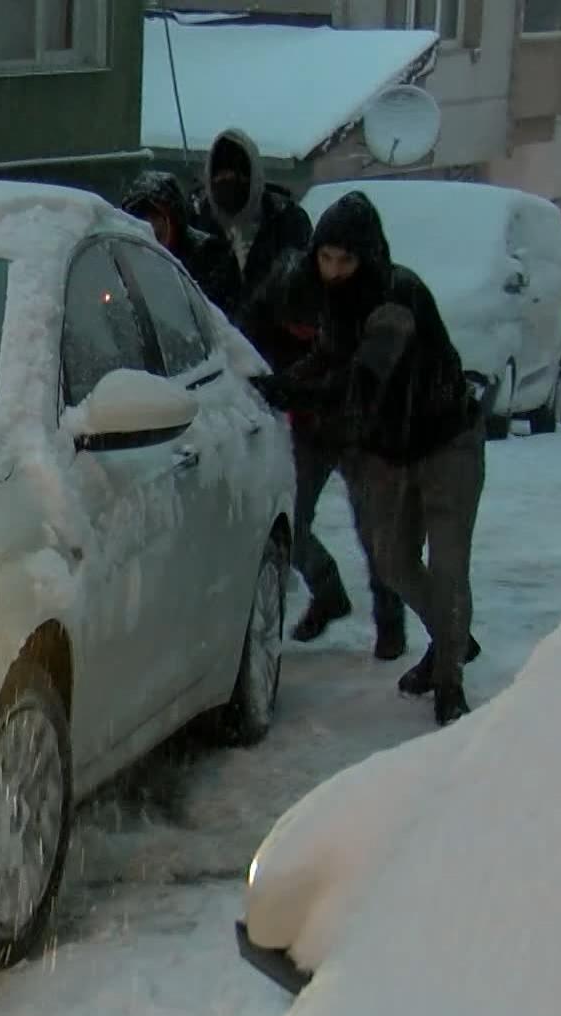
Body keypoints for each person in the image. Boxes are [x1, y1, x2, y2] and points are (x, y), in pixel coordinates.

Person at [249, 192, 486, 725]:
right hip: (393, 450)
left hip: (448, 442)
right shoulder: (340, 301)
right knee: (393, 561)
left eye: (345, 261)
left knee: (448, 567)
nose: (333, 272)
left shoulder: (396, 302)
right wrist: (281, 382)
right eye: (326, 259)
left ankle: (450, 683)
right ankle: (452, 641)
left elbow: (362, 380)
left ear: (368, 257)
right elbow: (330, 356)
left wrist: (300, 394)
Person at [239, 244, 409, 659]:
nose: (304, 336)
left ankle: (390, 622)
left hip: (360, 430)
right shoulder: (263, 314)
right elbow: (247, 360)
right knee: (291, 522)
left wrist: (303, 389)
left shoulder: (353, 309)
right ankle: (328, 590)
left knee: (375, 530)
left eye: (311, 330)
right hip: (308, 430)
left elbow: (356, 380)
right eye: (295, 329)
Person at [189, 128, 312, 307]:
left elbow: (301, 288)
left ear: (253, 177)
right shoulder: (195, 222)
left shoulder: (287, 221)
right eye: (220, 177)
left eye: (237, 176)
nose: (227, 184)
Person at [120, 169, 243, 312]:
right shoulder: (126, 261)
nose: (147, 225)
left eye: (154, 215)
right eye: (139, 217)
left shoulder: (209, 256)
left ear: (173, 218)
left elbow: (217, 320)